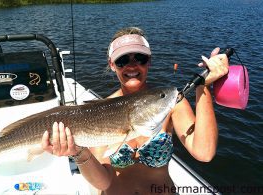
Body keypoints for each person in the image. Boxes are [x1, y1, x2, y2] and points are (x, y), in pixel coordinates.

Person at [41, 27, 229, 194]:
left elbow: (204, 152)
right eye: (123, 60)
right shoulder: (100, 112)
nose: (132, 65)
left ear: (149, 62)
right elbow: (103, 181)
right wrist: (78, 152)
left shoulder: (170, 103)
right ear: (112, 64)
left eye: (140, 58)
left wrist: (203, 87)